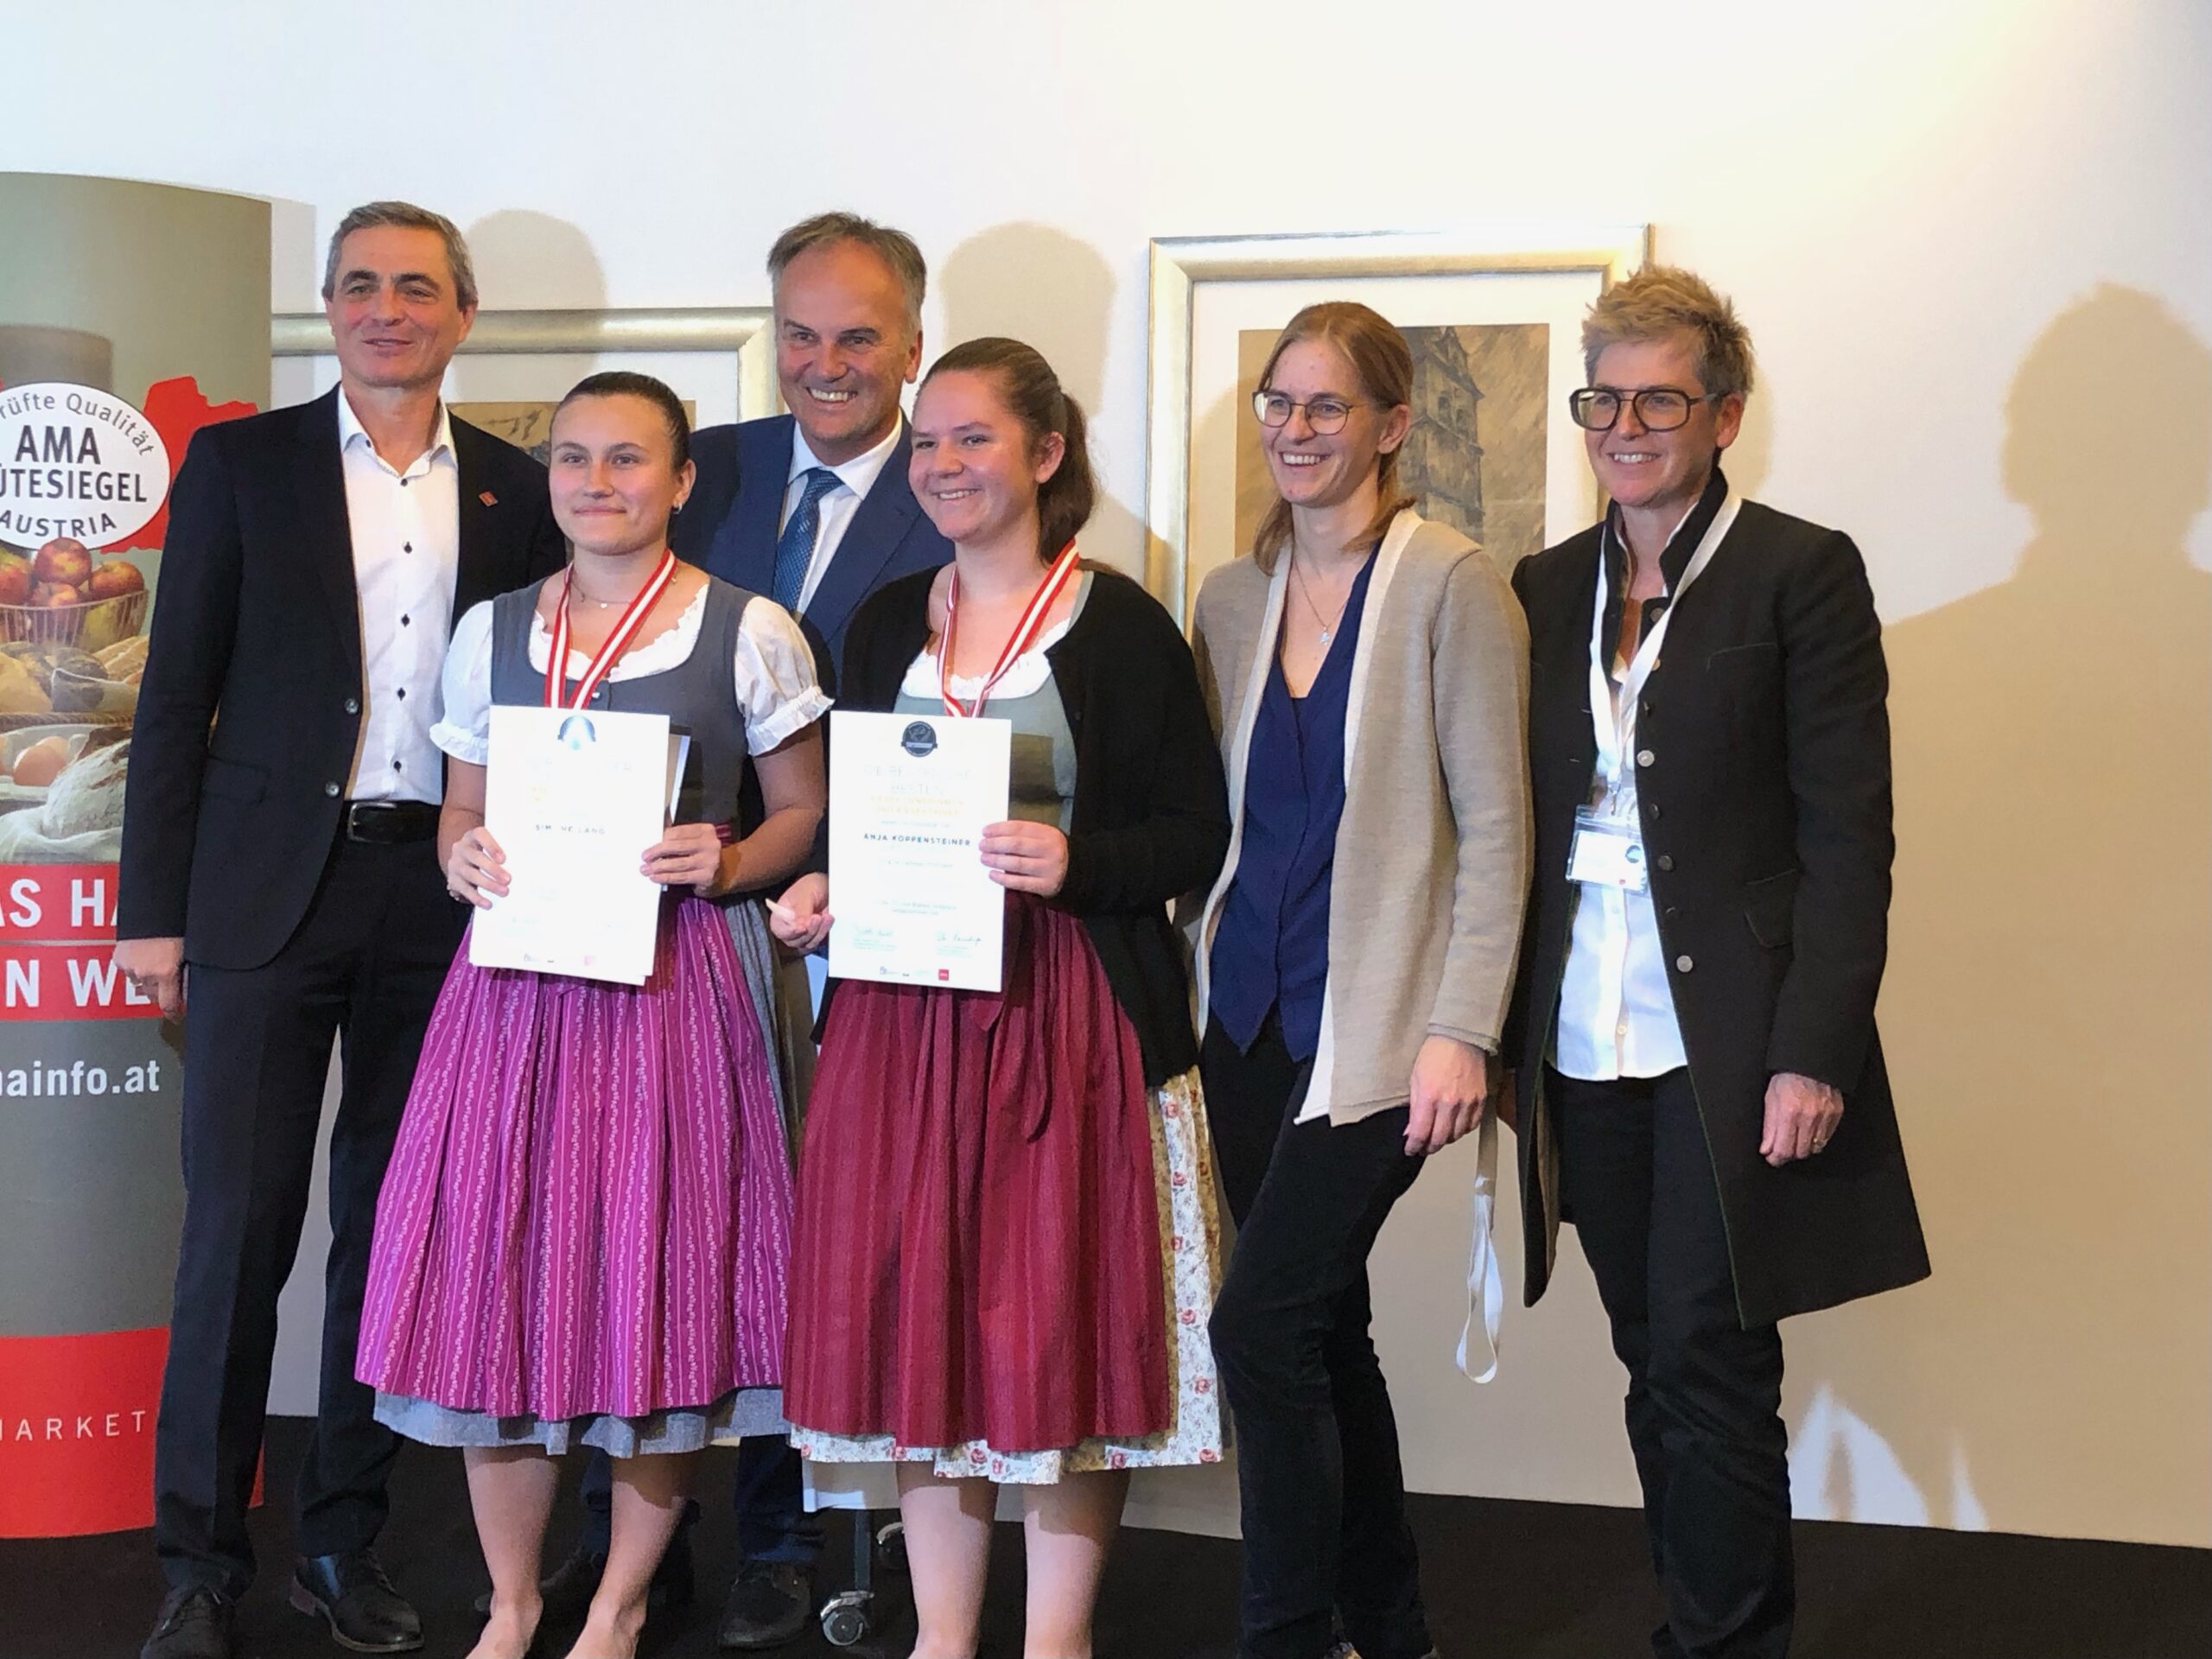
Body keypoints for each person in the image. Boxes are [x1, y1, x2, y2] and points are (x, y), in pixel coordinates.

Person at [115, 201, 567, 1659]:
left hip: (438, 898)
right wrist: (151, 914)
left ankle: (339, 1544)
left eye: (416, 287)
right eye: (361, 285)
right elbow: (172, 697)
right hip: (258, 893)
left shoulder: (516, 486)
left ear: (463, 313)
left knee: (388, 1231)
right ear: (328, 307)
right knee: (236, 1233)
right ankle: (196, 1564)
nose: (387, 308)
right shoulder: (241, 465)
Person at [353, 371, 829, 1659]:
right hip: (512, 996)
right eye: (574, 459)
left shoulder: (750, 628)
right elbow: (462, 804)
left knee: (653, 1278)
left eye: (629, 460)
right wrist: (461, 854)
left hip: (678, 991)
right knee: (497, 1278)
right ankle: (513, 1602)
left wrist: (730, 863)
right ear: (548, 477)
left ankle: (615, 1604)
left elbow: (802, 809)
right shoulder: (493, 627)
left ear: (680, 482)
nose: (598, 484)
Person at [771, 337, 1231, 1659]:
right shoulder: (878, 624)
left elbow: (1196, 834)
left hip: (1067, 1015)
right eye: (928, 442)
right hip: (902, 1024)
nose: (944, 464)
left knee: (1061, 1312)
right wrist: (822, 898)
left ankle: (1058, 1641)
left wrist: (1079, 861)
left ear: (1045, 454)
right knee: (927, 1311)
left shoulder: (1126, 624)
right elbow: (859, 828)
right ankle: (941, 1638)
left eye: (974, 438)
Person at [538, 212, 954, 1652]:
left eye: (857, 336)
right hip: (684, 934)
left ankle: (794, 1535)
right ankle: (631, 1542)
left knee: (800, 1233)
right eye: (800, 333)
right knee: (650, 1225)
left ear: (913, 338)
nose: (825, 363)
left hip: (884, 923)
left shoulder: (963, 478)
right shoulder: (699, 467)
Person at [1502, 265, 1929, 1658]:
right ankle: (1700, 1615)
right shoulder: (1548, 582)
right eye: (1602, 398)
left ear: (1724, 412)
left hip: (1730, 1040)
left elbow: (1846, 839)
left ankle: (1725, 1641)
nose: (1625, 425)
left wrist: (1815, 1047)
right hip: (1581, 1037)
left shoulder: (1801, 571)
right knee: (1652, 1354)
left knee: (1709, 1353)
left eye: (1660, 398)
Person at [1187, 301, 1530, 1659]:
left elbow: (1500, 831)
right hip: (1245, 1023)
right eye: (1280, 403)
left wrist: (1463, 1030)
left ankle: (1285, 1632)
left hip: (1381, 1032)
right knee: (1323, 1331)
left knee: (1259, 1330)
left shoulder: (1452, 582)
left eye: (1328, 407)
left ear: (1393, 425)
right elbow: (1218, 824)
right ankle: (1390, 1627)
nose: (1297, 430)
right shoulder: (1230, 594)